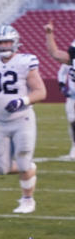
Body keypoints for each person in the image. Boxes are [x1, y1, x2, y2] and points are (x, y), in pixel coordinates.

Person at [0, 24, 45, 214]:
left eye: (7, 42)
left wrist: (23, 100)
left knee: (21, 159)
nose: (4, 46)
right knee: (1, 169)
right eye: (0, 42)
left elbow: (41, 92)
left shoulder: (25, 62)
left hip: (22, 120)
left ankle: (27, 199)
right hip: (0, 122)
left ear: (15, 42)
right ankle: (30, 168)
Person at [44, 20, 75, 159]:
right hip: (73, 96)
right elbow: (55, 53)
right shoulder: (71, 58)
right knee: (73, 120)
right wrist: (49, 34)